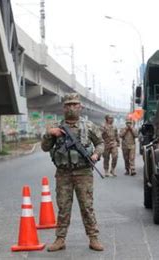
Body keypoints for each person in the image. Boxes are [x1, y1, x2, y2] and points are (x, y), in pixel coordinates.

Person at [41, 93, 105, 252]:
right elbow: (45, 147)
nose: (71, 108)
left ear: (80, 107)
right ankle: (60, 239)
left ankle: (93, 238)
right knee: (63, 206)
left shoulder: (88, 126)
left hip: (83, 172)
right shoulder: (56, 126)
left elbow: (100, 143)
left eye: (74, 104)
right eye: (68, 105)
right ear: (63, 108)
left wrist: (96, 154)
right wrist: (50, 134)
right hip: (63, 173)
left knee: (87, 206)